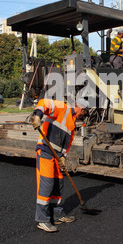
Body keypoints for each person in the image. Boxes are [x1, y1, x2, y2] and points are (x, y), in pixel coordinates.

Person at [28, 97, 90, 233]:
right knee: (47, 184)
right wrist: (37, 116)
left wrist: (63, 157)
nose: (83, 116)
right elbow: (44, 103)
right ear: (81, 108)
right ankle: (43, 219)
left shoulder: (72, 124)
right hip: (45, 150)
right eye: (84, 113)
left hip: (56, 155)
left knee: (58, 183)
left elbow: (66, 144)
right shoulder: (63, 108)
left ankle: (56, 214)